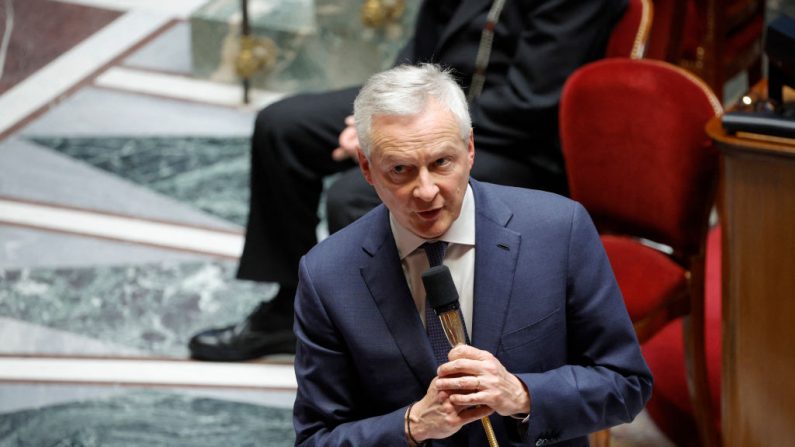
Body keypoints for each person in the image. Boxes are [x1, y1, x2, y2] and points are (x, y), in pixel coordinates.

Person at [188, 0, 628, 361]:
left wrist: (410, 135)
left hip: (514, 142)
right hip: (425, 111)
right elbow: (418, 56)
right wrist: (379, 118)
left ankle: (386, 349)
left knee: (356, 198)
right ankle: (288, 308)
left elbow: (529, 102)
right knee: (281, 127)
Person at [292, 64, 652, 446]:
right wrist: (412, 425)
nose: (426, 191)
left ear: (469, 149)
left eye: (441, 163)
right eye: (400, 170)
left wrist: (521, 394)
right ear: (366, 167)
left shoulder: (558, 229)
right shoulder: (327, 275)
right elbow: (317, 438)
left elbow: (625, 384)